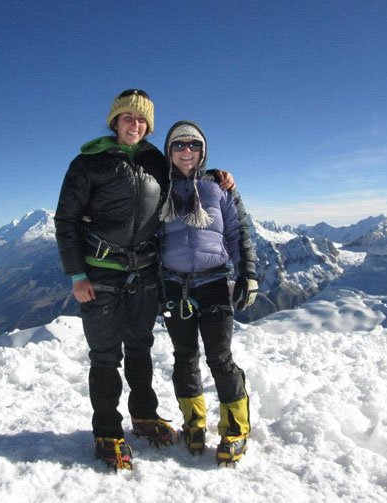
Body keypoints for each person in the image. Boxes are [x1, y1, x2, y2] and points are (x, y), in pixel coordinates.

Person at [54, 90, 234, 470]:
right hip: (101, 273)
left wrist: (216, 176)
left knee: (140, 348)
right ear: (115, 122)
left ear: (148, 127)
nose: (134, 125)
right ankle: (107, 430)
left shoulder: (156, 161)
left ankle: (145, 415)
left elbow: (188, 175)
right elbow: (66, 221)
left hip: (146, 273)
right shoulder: (88, 163)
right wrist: (77, 274)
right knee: (105, 355)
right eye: (127, 118)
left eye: (141, 121)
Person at [158, 120, 258, 466]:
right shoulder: (158, 187)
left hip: (215, 282)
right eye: (179, 145)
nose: (187, 151)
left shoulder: (219, 187)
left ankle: (235, 429)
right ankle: (194, 423)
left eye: (194, 145)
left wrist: (248, 274)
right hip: (173, 283)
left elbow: (238, 232)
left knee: (219, 356)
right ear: (168, 152)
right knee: (184, 356)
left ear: (204, 151)